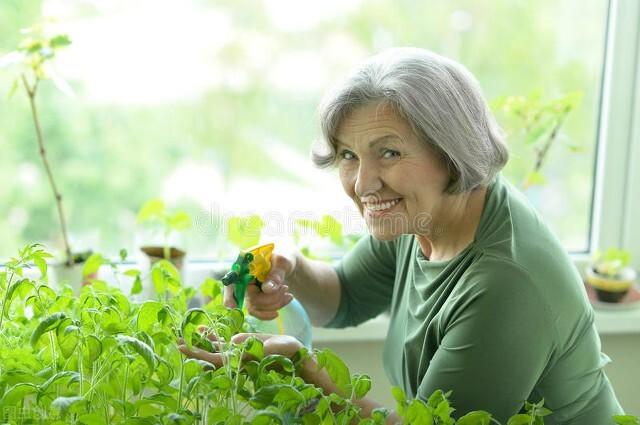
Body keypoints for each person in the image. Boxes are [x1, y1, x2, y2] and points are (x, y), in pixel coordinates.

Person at [180, 47, 624, 424]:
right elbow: (345, 297)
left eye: (388, 152)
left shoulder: (505, 284)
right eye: (349, 156)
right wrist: (287, 270)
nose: (363, 183)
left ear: (453, 152)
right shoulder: (423, 215)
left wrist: (300, 370)